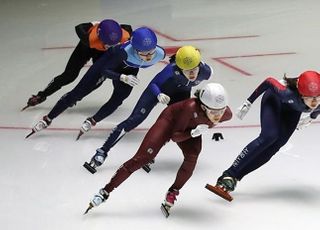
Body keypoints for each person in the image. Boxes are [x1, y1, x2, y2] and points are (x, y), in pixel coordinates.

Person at [83, 83, 232, 217]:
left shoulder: (226, 114)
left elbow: (221, 114)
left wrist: (195, 130)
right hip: (170, 124)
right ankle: (105, 191)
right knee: (143, 158)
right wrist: (193, 133)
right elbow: (175, 136)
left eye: (221, 111)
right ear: (203, 106)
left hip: (192, 128)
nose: (218, 116)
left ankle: (173, 191)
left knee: (192, 156)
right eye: (214, 112)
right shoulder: (190, 107)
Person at [80, 45, 213, 174]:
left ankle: (151, 153)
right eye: (186, 70)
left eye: (194, 70)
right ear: (179, 67)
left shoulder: (206, 71)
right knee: (134, 120)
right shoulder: (171, 70)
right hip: (157, 91)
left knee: (175, 125)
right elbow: (154, 84)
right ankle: (103, 151)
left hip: (180, 95)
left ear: (199, 65)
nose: (191, 74)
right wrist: (158, 94)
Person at [26, 27, 165, 138]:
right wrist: (122, 77)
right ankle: (48, 119)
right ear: (134, 49)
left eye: (151, 52)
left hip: (129, 71)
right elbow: (105, 70)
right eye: (143, 54)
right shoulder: (123, 52)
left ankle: (92, 121)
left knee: (118, 99)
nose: (148, 57)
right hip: (108, 65)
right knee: (77, 93)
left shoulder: (159, 53)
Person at [205, 70, 320, 202]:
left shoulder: (314, 99)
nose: (314, 102)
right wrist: (248, 102)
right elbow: (269, 81)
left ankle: (233, 178)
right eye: (310, 98)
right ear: (300, 93)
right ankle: (229, 173)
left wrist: (311, 117)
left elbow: (318, 108)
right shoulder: (286, 93)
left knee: (276, 145)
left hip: (293, 110)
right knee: (269, 136)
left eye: (318, 97)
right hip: (274, 100)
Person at [22, 19, 132, 111]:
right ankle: (42, 95)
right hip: (86, 48)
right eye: (107, 43)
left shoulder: (125, 35)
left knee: (98, 79)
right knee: (69, 75)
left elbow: (128, 28)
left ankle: (74, 97)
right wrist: (93, 24)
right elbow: (79, 27)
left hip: (102, 54)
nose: (109, 46)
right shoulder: (89, 38)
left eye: (113, 44)